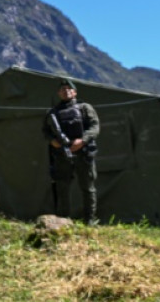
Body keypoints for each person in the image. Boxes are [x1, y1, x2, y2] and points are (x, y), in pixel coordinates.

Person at [43, 77, 100, 225]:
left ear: (74, 92)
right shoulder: (53, 113)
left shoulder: (84, 108)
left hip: (84, 153)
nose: (66, 91)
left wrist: (83, 141)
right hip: (62, 155)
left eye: (69, 89)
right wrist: (52, 141)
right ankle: (63, 220)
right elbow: (45, 131)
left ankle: (90, 220)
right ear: (58, 93)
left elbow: (95, 127)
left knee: (87, 187)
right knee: (62, 187)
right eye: (63, 90)